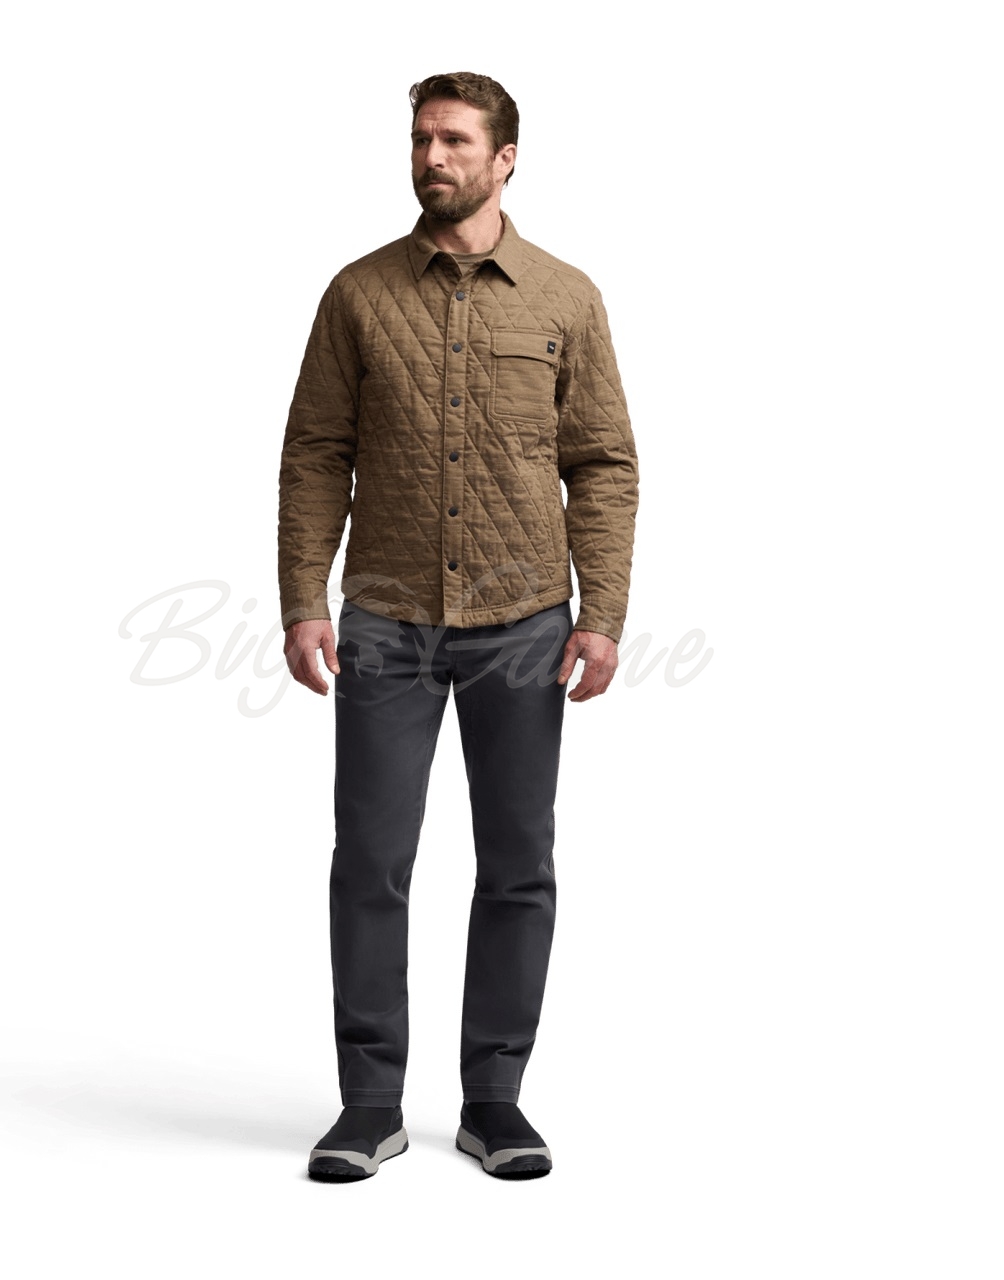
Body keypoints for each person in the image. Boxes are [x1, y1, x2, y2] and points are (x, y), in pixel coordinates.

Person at [278, 71, 639, 1181]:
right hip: (384, 619)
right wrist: (302, 597)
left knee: (517, 863)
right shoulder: (357, 294)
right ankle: (368, 1105)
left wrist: (602, 613)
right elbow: (314, 453)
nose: (431, 157)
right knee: (369, 861)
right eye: (420, 139)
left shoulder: (565, 297)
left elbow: (602, 463)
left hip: (524, 622)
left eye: (454, 141)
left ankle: (494, 1100)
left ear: (504, 158)